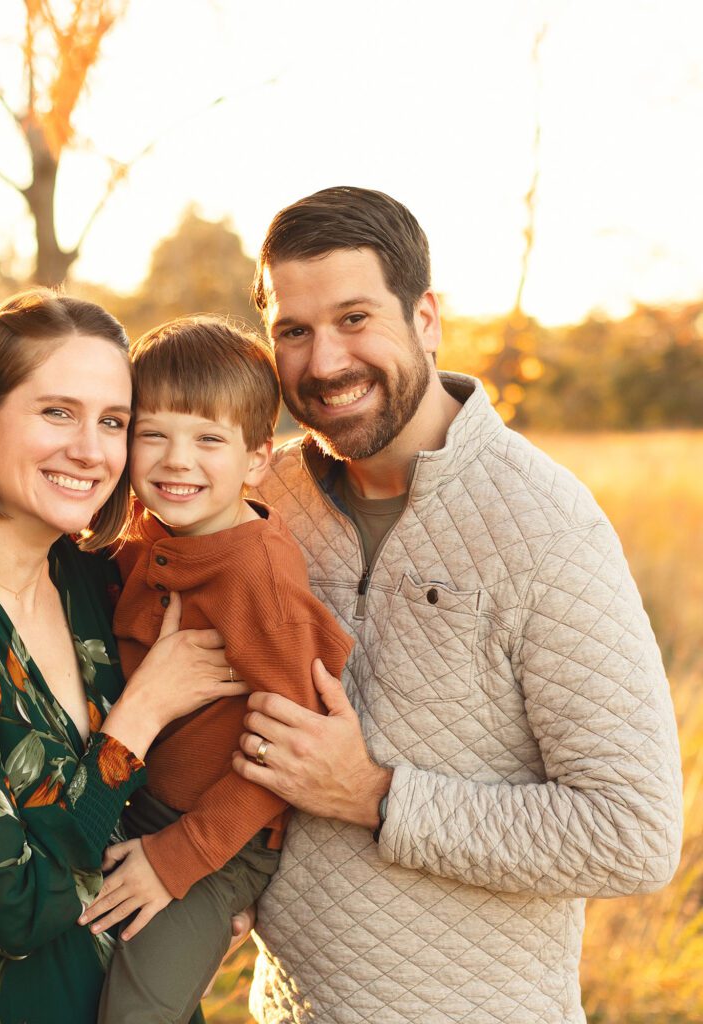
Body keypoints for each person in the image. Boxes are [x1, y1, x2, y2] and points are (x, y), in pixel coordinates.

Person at [230, 186, 684, 1023]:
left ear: (426, 318)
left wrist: (372, 793)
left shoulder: (545, 524)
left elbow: (633, 834)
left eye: (355, 318)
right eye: (294, 330)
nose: (325, 363)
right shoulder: (264, 494)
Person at [0, 291, 247, 1024]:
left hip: (137, 992)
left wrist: (202, 893)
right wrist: (144, 711)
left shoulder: (89, 575)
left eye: (114, 422)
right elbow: (14, 912)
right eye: (56, 412)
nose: (92, 451)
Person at [78, 316, 353, 1024]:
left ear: (257, 459)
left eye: (208, 439)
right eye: (154, 435)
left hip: (218, 841)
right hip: (137, 802)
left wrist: (178, 858)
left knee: (135, 1014)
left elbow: (283, 764)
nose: (177, 461)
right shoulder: (148, 534)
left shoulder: (256, 575)